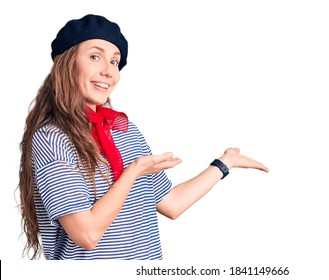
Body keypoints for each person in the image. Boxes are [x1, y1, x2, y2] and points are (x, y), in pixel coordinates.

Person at [18, 14, 269, 260]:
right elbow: (88, 234)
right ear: (67, 64)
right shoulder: (52, 138)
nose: (108, 71)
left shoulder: (125, 131)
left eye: (115, 62)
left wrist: (225, 163)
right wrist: (134, 171)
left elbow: (172, 204)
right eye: (95, 57)